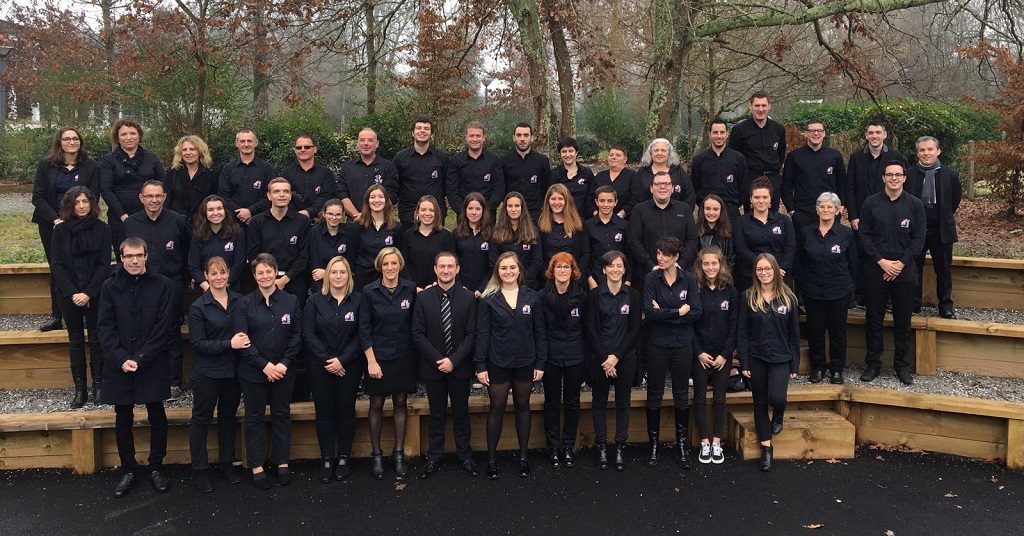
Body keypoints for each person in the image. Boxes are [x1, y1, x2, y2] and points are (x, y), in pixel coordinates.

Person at [98, 237, 174, 498]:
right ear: (121, 258)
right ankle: (128, 469)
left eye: (138, 255)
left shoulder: (162, 284)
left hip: (151, 360)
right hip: (120, 362)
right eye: (129, 256)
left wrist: (142, 357)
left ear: (146, 257)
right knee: (123, 417)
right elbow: (105, 327)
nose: (134, 260)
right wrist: (121, 358)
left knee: (157, 415)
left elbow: (163, 326)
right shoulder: (109, 286)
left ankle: (156, 467)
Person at [476, 252, 547, 479]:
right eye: (504, 268)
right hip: (497, 362)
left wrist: (541, 362)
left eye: (512, 267)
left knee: (522, 406)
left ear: (519, 270)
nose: (508, 272)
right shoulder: (488, 299)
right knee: (496, 408)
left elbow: (540, 332)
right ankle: (491, 460)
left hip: (526, 361)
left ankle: (523, 458)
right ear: (498, 272)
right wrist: (480, 365)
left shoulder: (532, 296)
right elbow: (482, 334)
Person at [412, 252, 479, 479]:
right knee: (436, 413)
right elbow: (418, 334)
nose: (446, 270)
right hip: (433, 367)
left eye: (450, 266)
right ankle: (434, 456)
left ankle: (465, 455)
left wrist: (453, 361)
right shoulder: (423, 298)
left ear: (457, 269)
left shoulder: (468, 297)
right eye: (442, 266)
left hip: (459, 367)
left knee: (461, 412)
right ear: (435, 269)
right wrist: (439, 360)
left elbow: (471, 334)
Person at [858, 161, 926, 385]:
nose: (894, 178)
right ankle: (873, 364)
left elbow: (919, 238)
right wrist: (882, 262)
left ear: (904, 178)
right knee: (873, 319)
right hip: (876, 268)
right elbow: (864, 236)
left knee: (903, 320)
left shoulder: (915, 205)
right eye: (890, 175)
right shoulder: (870, 203)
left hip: (904, 270)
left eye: (898, 174)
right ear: (883, 178)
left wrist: (900, 263)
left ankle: (901, 366)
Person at [238, 253, 302, 490]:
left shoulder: (291, 301)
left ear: (276, 272)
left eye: (268, 271)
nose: (265, 276)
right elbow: (242, 340)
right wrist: (264, 365)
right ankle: (257, 465)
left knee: (281, 415)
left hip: (284, 371)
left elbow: (297, 335)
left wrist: (283, 363)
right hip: (254, 372)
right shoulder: (244, 304)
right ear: (254, 276)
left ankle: (282, 461)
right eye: (260, 273)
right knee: (254, 417)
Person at [123, 180, 191, 400]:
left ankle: (174, 383)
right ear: (141, 198)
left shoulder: (178, 221)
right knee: (141, 331)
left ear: (164, 197)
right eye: (149, 196)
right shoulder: (130, 223)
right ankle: (143, 379)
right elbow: (124, 253)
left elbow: (187, 251)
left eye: (158, 196)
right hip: (139, 284)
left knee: (171, 333)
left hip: (171, 284)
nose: (154, 200)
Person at [302, 256, 364, 483]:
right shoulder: (314, 301)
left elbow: (362, 334)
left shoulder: (359, 300)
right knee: (324, 411)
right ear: (327, 275)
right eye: (334, 272)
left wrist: (343, 360)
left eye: (342, 272)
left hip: (349, 366)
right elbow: (308, 334)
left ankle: (344, 457)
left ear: (349, 275)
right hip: (320, 367)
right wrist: (329, 361)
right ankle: (327, 458)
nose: (338, 276)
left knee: (346, 410)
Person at [642, 236, 702, 470]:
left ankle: (681, 446)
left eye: (666, 254)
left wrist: (664, 313)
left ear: (676, 257)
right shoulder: (651, 278)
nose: (660, 258)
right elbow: (649, 313)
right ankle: (653, 446)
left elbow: (696, 312)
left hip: (681, 344)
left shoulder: (688, 279)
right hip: (656, 344)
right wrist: (678, 312)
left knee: (680, 394)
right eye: (658, 253)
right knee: (654, 393)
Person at [186, 256, 246, 493]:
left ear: (228, 273)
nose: (219, 277)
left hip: (233, 371)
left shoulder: (240, 301)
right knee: (201, 419)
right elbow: (198, 343)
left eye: (222, 272)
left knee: (228, 417)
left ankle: (226, 463)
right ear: (206, 276)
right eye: (214, 273)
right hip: (208, 372)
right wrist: (229, 344)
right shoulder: (198, 307)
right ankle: (199, 470)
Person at [32, 127, 100, 332]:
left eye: (75, 138)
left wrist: (78, 218)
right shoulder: (46, 165)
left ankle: (84, 311)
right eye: (67, 139)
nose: (71, 142)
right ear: (59, 142)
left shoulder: (90, 166)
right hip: (52, 225)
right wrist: (56, 220)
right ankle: (57, 315)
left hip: (83, 224)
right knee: (58, 267)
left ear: (80, 142)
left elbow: (93, 196)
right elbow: (38, 197)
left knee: (85, 265)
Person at [737, 253, 800, 472]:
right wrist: (744, 362)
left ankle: (779, 413)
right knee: (760, 403)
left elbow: (794, 334)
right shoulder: (747, 297)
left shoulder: (789, 298)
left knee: (777, 398)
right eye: (759, 269)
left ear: (775, 270)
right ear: (755, 272)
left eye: (767, 269)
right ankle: (766, 448)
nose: (763, 273)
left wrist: (795, 364)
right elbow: (742, 332)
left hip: (781, 357)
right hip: (756, 357)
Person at [49, 187, 111, 407]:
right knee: (75, 340)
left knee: (97, 339)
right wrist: (74, 293)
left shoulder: (103, 229)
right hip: (69, 294)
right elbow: (56, 264)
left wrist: (88, 292)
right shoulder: (60, 230)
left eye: (85, 201)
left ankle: (99, 387)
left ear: (91, 203)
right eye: (77, 202)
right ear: (70, 205)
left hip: (95, 292)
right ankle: (80, 390)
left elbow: (104, 264)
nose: (82, 206)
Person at [359, 247, 417, 480]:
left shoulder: (410, 289)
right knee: (376, 404)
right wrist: (371, 361)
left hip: (403, 355)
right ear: (379, 266)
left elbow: (415, 323)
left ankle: (399, 453)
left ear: (400, 265)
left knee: (401, 402)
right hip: (378, 357)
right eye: (385, 264)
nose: (390, 268)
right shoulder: (369, 291)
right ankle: (376, 455)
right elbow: (364, 329)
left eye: (394, 263)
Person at [584, 250, 641, 470]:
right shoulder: (594, 296)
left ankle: (619, 446)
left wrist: (616, 357)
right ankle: (601, 446)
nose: (615, 270)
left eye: (619, 266)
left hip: (625, 358)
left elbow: (635, 329)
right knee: (599, 402)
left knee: (623, 403)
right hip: (600, 358)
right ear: (604, 269)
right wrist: (605, 359)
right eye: (611, 266)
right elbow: (590, 329)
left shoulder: (633, 295)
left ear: (624, 269)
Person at [781, 120, 847, 289]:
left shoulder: (834, 156)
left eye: (819, 130)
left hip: (829, 213)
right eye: (812, 131)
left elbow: (842, 184)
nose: (815, 134)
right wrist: (792, 211)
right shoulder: (794, 156)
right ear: (806, 133)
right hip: (803, 214)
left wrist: (841, 208)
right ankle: (802, 293)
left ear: (824, 133)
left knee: (830, 251)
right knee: (803, 252)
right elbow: (786, 185)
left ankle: (831, 286)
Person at [800, 192, 858, 385]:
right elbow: (800, 260)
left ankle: (837, 369)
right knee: (815, 330)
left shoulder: (846, 234)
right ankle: (818, 367)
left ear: (837, 210)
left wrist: (850, 287)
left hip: (838, 290)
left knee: (837, 331)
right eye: (822, 207)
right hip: (812, 290)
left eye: (830, 207)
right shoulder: (806, 232)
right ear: (817, 210)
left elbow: (853, 263)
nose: (826, 210)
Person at [847, 121, 906, 307]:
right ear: (866, 136)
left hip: (887, 216)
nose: (874, 136)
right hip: (861, 216)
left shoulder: (895, 156)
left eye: (878, 132)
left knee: (885, 252)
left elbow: (901, 185)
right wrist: (853, 216)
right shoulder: (856, 157)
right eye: (871, 133)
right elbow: (850, 188)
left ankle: (887, 297)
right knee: (861, 255)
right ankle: (861, 294)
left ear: (885, 135)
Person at [905, 136, 962, 319]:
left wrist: (944, 216)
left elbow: (955, 200)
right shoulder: (909, 175)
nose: (926, 153)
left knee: (943, 269)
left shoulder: (951, 174)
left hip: (941, 229)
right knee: (914, 268)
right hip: (916, 230)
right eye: (922, 150)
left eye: (930, 149)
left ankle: (945, 305)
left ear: (938, 151)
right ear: (917, 153)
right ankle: (914, 303)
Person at [540, 252, 587, 468]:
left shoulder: (582, 296)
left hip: (575, 354)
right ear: (552, 271)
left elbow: (586, 327)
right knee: (551, 402)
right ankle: (552, 447)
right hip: (551, 354)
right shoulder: (542, 296)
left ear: (572, 271)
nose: (562, 270)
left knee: (572, 401)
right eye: (558, 267)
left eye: (566, 267)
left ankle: (568, 446)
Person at [691, 246, 737, 465]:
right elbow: (689, 324)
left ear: (721, 264)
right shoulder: (694, 289)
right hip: (700, 353)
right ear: (700, 266)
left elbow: (734, 325)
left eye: (714, 263)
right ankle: (704, 442)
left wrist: (725, 354)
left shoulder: (730, 290)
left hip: (722, 355)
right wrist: (698, 352)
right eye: (706, 263)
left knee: (720, 398)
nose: (710, 267)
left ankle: (716, 442)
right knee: (699, 397)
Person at [99, 117, 165, 253]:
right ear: (117, 138)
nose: (128, 137)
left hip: (150, 217)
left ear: (139, 136)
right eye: (124, 134)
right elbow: (106, 190)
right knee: (125, 256)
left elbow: (162, 185)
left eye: (133, 133)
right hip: (120, 218)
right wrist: (123, 216)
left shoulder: (152, 158)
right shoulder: (108, 160)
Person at [627, 171, 698, 288]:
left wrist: (680, 264)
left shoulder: (684, 209)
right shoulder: (639, 210)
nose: (662, 187)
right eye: (658, 184)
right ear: (651, 188)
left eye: (666, 183)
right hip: (647, 274)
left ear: (673, 188)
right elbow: (634, 241)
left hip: (679, 274)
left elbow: (692, 239)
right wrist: (650, 265)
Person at [246, 177, 311, 299]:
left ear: (290, 196)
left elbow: (304, 256)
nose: (282, 195)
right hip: (265, 281)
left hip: (294, 281)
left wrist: (284, 280)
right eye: (276, 191)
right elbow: (253, 255)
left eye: (286, 191)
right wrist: (269, 278)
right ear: (269, 196)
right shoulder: (256, 222)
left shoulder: (302, 222)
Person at [733, 176, 795, 292]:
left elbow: (790, 247)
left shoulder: (784, 221)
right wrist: (763, 268)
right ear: (751, 199)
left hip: (780, 274)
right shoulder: (740, 222)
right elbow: (741, 249)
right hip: (750, 276)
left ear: (771, 198)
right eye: (757, 197)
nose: (761, 201)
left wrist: (777, 269)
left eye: (765, 197)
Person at [728, 91, 787, 212]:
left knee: (773, 217)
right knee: (751, 217)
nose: (760, 109)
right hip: (750, 179)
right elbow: (733, 158)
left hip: (773, 179)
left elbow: (781, 154)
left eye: (764, 105)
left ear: (769, 106)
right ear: (750, 106)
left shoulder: (778, 129)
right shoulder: (739, 130)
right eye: (757, 105)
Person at [393, 117, 450, 231]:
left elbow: (448, 185)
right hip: (408, 213)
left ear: (431, 134)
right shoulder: (400, 158)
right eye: (419, 128)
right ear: (412, 133)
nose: (422, 131)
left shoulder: (442, 158)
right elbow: (394, 185)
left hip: (435, 213)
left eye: (426, 129)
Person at [188, 195, 246, 294]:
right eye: (210, 210)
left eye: (219, 208)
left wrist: (222, 286)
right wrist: (209, 289)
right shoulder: (197, 235)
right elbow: (194, 267)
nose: (216, 213)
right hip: (204, 290)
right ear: (204, 213)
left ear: (225, 211)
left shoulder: (238, 233)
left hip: (231, 289)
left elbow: (239, 264)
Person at [690, 119, 747, 221]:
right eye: (715, 132)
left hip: (731, 211)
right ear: (710, 134)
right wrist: (704, 205)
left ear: (727, 134)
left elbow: (743, 186)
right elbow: (694, 186)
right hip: (707, 211)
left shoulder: (738, 158)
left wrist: (735, 204)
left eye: (722, 132)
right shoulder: (699, 160)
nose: (719, 136)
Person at [447, 121, 505, 219]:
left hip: (488, 215)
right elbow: (452, 190)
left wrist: (486, 211)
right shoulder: (456, 160)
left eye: (478, 136)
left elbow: (498, 188)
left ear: (484, 137)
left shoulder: (494, 160)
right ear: (466, 137)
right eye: (471, 136)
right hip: (463, 216)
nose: (474, 139)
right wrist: (463, 211)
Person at [338, 127, 399, 220]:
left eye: (370, 140)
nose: (366, 143)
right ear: (357, 143)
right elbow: (342, 194)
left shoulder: (388, 167)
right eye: (362, 140)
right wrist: (358, 216)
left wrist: (370, 215)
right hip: (354, 221)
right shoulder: (347, 167)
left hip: (380, 221)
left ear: (377, 144)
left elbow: (392, 195)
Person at [217, 129, 274, 225]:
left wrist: (250, 211)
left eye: (249, 141)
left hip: (261, 222)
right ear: (236, 144)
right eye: (242, 141)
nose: (246, 144)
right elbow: (223, 196)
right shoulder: (227, 169)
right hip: (233, 223)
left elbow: (271, 196)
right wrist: (240, 213)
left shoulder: (267, 169)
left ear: (256, 143)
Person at [489, 192, 543, 289]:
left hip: (528, 285)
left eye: (517, 206)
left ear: (522, 208)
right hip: (504, 284)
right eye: (510, 206)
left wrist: (522, 281)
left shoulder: (532, 231)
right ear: (505, 209)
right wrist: (507, 279)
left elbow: (537, 261)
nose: (513, 209)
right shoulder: (496, 232)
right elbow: (493, 261)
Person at [538, 183, 590, 284]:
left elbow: (585, 254)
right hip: (548, 282)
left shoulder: (579, 224)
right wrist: (549, 279)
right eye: (553, 199)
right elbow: (539, 257)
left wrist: (576, 277)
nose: (557, 202)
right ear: (548, 201)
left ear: (567, 201)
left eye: (560, 199)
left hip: (574, 282)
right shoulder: (540, 226)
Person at [354, 184, 403, 290]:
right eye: (372, 197)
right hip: (362, 279)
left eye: (381, 197)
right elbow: (351, 256)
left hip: (387, 278)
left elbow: (400, 256)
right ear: (367, 201)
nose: (377, 200)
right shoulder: (357, 226)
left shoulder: (396, 227)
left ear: (386, 200)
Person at [401, 195, 455, 290]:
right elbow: (403, 264)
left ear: (436, 213)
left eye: (431, 210)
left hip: (439, 288)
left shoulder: (446, 236)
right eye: (423, 210)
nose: (427, 213)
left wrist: (436, 284)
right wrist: (412, 286)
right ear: (418, 212)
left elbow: (451, 264)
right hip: (413, 289)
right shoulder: (407, 235)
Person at [280, 134, 337, 220]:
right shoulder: (286, 173)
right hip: (291, 220)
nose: (302, 150)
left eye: (307, 147)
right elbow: (283, 196)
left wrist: (308, 212)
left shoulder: (326, 173)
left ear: (315, 149)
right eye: (299, 147)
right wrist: (296, 215)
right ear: (295, 150)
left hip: (320, 221)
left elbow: (326, 197)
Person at [502, 122, 550, 221]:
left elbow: (546, 187)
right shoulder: (504, 161)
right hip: (512, 214)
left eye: (526, 135)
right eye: (519, 135)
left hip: (535, 214)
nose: (522, 139)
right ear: (514, 138)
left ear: (532, 138)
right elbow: (501, 187)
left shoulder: (542, 160)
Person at [584, 186, 629, 289]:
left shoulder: (624, 225)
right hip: (595, 279)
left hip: (619, 279)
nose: (605, 204)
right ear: (596, 202)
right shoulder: (587, 225)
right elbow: (585, 255)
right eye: (602, 201)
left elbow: (629, 254)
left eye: (610, 201)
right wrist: (590, 279)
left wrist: (628, 280)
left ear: (616, 202)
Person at [308, 199, 359, 289]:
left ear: (343, 215)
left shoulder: (350, 231)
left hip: (344, 281)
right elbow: (315, 263)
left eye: (338, 214)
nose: (334, 218)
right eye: (330, 214)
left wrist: (326, 273)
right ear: (324, 214)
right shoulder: (315, 232)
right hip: (320, 282)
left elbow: (350, 263)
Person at [165, 135, 216, 221]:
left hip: (202, 221)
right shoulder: (172, 172)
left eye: (192, 149)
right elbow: (167, 198)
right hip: (176, 220)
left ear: (200, 151)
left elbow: (213, 198)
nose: (188, 153)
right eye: (184, 150)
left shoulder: (210, 173)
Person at [633, 138, 695, 208]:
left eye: (663, 150)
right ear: (650, 153)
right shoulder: (642, 172)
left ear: (669, 154)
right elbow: (635, 196)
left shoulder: (679, 172)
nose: (659, 153)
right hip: (645, 213)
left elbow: (690, 196)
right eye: (656, 150)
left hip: (676, 214)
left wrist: (684, 213)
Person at [453, 193, 493, 296]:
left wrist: (482, 289)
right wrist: (460, 285)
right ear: (465, 210)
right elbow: (452, 261)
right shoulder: (456, 234)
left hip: (485, 290)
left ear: (483, 211)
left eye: (478, 209)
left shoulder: (491, 235)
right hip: (461, 289)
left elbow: (493, 265)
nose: (474, 212)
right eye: (470, 208)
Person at [549, 137, 594, 222]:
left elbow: (592, 196)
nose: (567, 155)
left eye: (571, 151)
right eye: (564, 151)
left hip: (584, 220)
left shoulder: (587, 173)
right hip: (562, 220)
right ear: (559, 154)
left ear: (576, 152)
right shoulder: (554, 174)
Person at [588, 145, 638, 218]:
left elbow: (636, 198)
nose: (614, 157)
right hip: (599, 220)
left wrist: (621, 215)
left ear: (625, 159)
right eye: (611, 155)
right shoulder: (600, 176)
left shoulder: (632, 176)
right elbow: (590, 198)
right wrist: (596, 214)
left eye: (618, 155)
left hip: (624, 220)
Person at [696, 194, 735, 273]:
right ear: (702, 210)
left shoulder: (728, 232)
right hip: (700, 275)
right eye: (707, 209)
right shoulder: (695, 231)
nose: (711, 213)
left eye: (715, 209)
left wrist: (724, 275)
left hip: (723, 275)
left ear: (721, 211)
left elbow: (731, 259)